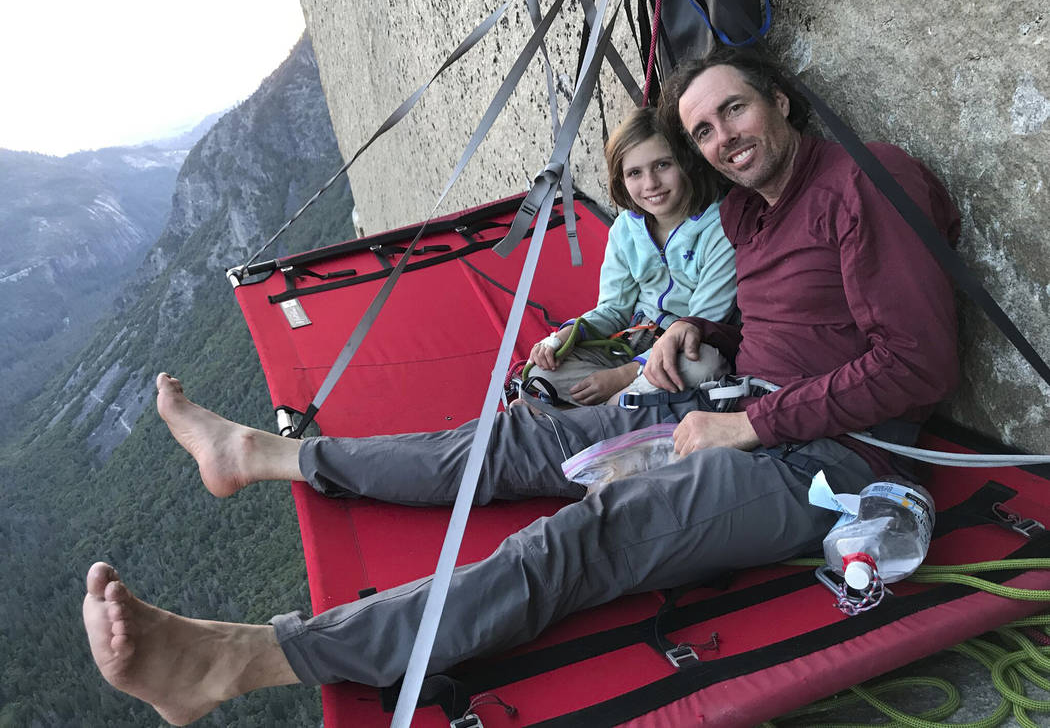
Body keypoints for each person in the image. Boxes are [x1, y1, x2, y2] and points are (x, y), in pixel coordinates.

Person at [83, 46, 960, 726]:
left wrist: (753, 425)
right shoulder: (744, 212)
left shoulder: (866, 181)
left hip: (831, 459)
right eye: (702, 130)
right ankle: (270, 455)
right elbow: (789, 323)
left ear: (780, 102)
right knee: (514, 440)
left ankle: (241, 662)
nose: (723, 138)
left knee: (577, 540)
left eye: (735, 108)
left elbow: (916, 366)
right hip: (732, 403)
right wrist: (706, 331)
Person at [525, 106, 736, 406]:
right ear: (621, 179)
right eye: (635, 173)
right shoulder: (625, 229)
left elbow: (704, 321)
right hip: (633, 340)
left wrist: (624, 376)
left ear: (687, 162)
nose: (650, 184)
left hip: (689, 343)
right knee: (544, 372)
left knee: (706, 365)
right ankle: (624, 406)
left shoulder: (721, 226)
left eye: (663, 165)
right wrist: (570, 333)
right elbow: (614, 309)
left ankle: (610, 409)